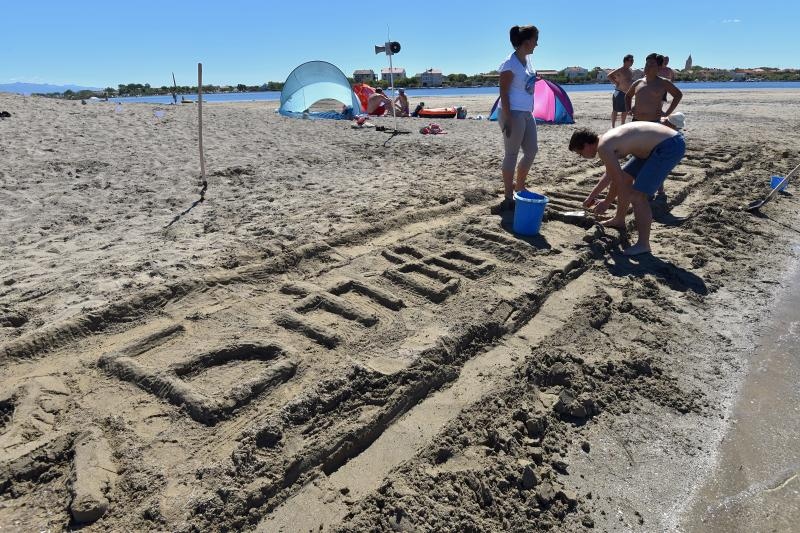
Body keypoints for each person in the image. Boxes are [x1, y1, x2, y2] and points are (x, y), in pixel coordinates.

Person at [568, 120, 686, 256]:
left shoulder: (604, 147)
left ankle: (643, 244)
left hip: (668, 146)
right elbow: (611, 175)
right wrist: (592, 196)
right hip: (659, 144)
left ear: (587, 145)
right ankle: (619, 220)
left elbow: (620, 182)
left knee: (637, 196)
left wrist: (606, 203)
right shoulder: (605, 140)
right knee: (625, 175)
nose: (582, 157)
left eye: (580, 153)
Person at [496, 24, 539, 211]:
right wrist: (508, 118)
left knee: (531, 151)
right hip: (512, 112)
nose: (537, 44)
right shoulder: (509, 64)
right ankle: (508, 197)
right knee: (511, 154)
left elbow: (523, 83)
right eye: (536, 40)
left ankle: (519, 187)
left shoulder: (527, 61)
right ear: (527, 42)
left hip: (527, 112)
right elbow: (503, 92)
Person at [625, 53, 682, 122]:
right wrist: (628, 109)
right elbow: (628, 96)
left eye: (652, 65)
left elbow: (678, 95)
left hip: (653, 121)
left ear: (659, 67)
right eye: (647, 64)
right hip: (636, 120)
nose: (648, 67)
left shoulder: (663, 82)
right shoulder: (638, 82)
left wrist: (667, 113)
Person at [608, 54, 634, 128]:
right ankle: (613, 126)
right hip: (619, 92)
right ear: (626, 61)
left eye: (633, 60)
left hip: (627, 93)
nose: (632, 62)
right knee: (615, 110)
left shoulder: (630, 71)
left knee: (625, 111)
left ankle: (622, 125)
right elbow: (609, 76)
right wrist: (616, 82)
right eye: (631, 60)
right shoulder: (620, 69)